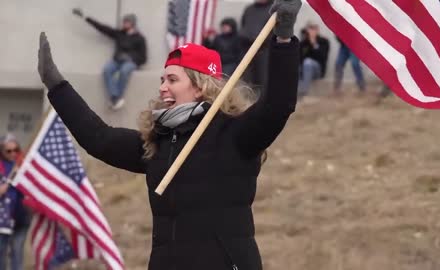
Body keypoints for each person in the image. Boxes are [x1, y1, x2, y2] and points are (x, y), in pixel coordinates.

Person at [37, 0, 301, 269]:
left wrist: (283, 39)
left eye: (172, 80)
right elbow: (99, 138)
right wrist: (57, 86)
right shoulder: (157, 143)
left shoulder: (235, 134)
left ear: (200, 87)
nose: (163, 88)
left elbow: (277, 105)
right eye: (162, 80)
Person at [72, 8, 148, 110]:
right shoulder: (119, 34)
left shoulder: (140, 38)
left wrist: (131, 58)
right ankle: (115, 97)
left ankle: (117, 97)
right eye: (123, 21)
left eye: (126, 21)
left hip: (130, 62)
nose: (124, 23)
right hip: (117, 60)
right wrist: (85, 17)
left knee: (124, 71)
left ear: (132, 23)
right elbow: (102, 28)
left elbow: (143, 58)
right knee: (107, 69)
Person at [0, 134, 30, 270]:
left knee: (17, 253)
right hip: (3, 220)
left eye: (16, 150)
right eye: (8, 151)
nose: (13, 153)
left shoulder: (23, 164)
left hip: (21, 219)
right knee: (1, 254)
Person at [239, 0, 274, 91]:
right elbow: (244, 24)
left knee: (263, 79)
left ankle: (262, 101)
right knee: (246, 78)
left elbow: (275, 31)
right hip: (247, 49)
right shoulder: (249, 9)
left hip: (264, 50)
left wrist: (259, 40)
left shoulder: (274, 9)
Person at [298, 21, 330, 97]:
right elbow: (299, 58)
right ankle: (295, 91)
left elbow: (323, 57)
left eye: (314, 28)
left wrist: (314, 44)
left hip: (318, 70)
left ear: (317, 30)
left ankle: (303, 91)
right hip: (305, 70)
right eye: (310, 29)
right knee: (296, 66)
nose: (312, 31)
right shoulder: (303, 43)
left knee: (307, 62)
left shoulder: (324, 41)